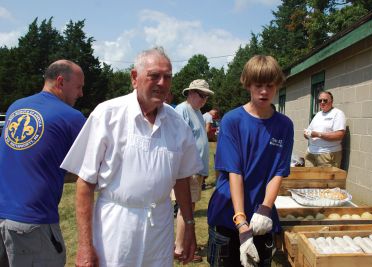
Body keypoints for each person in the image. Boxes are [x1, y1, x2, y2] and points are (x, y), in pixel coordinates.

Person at [60, 47, 202, 267]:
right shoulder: (107, 115)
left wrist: (190, 226)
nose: (162, 83)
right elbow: (85, 183)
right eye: (154, 75)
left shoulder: (177, 125)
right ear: (135, 78)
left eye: (168, 77)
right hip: (115, 228)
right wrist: (85, 246)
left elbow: (182, 179)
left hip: (160, 227)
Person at [207, 55, 294, 267]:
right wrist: (240, 221)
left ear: (277, 86)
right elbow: (233, 172)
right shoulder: (232, 120)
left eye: (270, 85)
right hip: (229, 217)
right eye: (258, 85)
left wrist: (265, 208)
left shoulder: (284, 125)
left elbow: (278, 171)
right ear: (248, 85)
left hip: (261, 221)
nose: (264, 91)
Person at [0, 59, 86, 266]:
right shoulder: (72, 117)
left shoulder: (15, 107)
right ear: (60, 82)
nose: (81, 94)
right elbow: (90, 169)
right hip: (33, 224)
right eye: (79, 87)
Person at [173, 79, 214, 262]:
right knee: (185, 208)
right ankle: (180, 248)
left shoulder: (197, 111)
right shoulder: (182, 110)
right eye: (201, 95)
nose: (205, 99)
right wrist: (186, 170)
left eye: (206, 96)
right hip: (187, 171)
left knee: (189, 207)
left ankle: (183, 244)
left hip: (195, 170)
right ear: (190, 93)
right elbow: (178, 142)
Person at [303, 91, 346, 168]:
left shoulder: (337, 113)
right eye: (320, 101)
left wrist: (318, 134)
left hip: (327, 154)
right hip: (311, 153)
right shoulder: (318, 114)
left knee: (325, 180)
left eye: (325, 100)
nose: (322, 102)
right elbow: (310, 130)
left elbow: (340, 135)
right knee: (309, 179)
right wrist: (306, 134)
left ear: (331, 101)